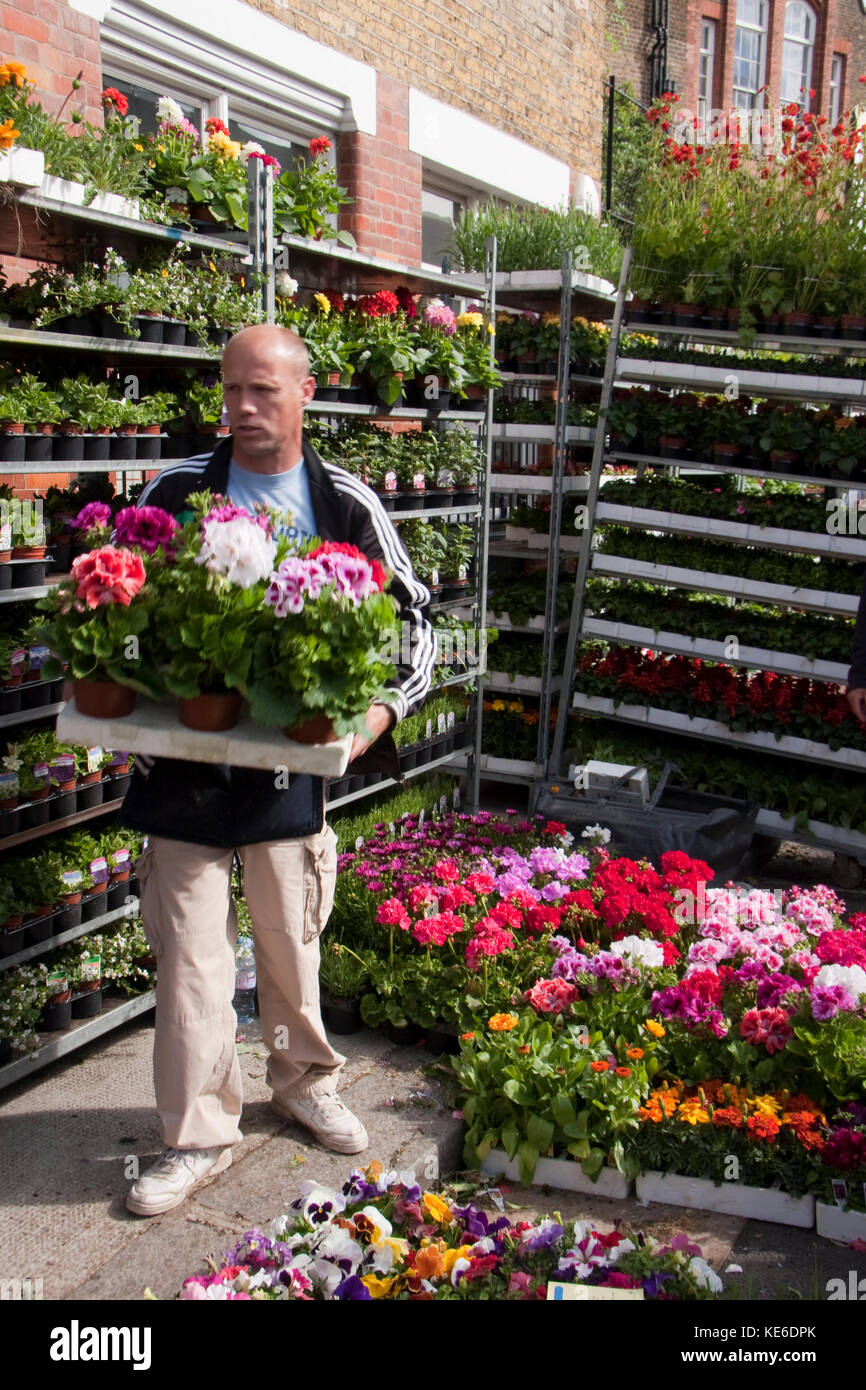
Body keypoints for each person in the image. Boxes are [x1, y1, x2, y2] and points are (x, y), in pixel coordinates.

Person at [121, 323, 435, 1216]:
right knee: (190, 957)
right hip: (182, 766)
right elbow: (125, 606)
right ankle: (196, 1136)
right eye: (231, 391)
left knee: (290, 940)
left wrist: (379, 712)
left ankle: (302, 1082)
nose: (245, 409)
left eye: (264, 391)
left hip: (290, 766)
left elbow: (418, 620)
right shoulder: (178, 490)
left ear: (306, 393)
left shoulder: (344, 502)